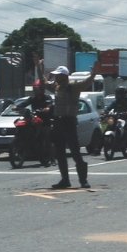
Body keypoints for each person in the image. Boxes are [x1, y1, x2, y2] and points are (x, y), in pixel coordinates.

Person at [43, 61, 100, 189]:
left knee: (75, 152)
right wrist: (38, 67)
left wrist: (93, 73)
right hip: (58, 122)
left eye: (58, 75)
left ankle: (83, 180)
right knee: (60, 153)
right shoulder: (56, 87)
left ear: (65, 76)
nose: (56, 77)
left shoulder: (73, 87)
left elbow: (87, 82)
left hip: (69, 122)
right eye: (56, 75)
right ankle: (65, 180)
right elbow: (44, 83)